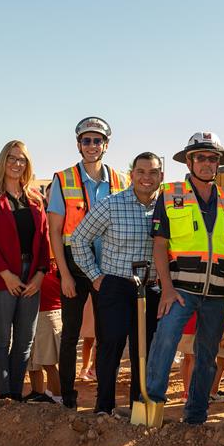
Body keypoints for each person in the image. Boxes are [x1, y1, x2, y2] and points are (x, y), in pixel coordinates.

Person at [145, 132, 224, 425]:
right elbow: (160, 244)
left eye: (213, 158)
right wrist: (166, 289)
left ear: (218, 163)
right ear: (189, 161)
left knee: (207, 356)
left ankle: (196, 415)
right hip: (181, 290)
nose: (207, 163)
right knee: (164, 343)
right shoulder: (171, 194)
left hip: (219, 293)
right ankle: (151, 410)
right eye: (200, 157)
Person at [72, 151, 164, 418]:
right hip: (115, 286)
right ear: (132, 174)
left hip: (151, 288)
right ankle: (104, 407)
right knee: (110, 346)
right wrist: (95, 275)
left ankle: (139, 409)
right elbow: (78, 239)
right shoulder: (111, 204)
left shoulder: (168, 207)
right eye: (141, 172)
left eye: (153, 172)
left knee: (143, 350)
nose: (146, 178)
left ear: (161, 176)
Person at [47, 117, 130, 409]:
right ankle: (68, 399)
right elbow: (54, 232)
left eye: (97, 140)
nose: (92, 146)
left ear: (106, 145)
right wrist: (65, 274)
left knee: (109, 334)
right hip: (74, 264)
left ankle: (103, 402)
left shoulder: (122, 181)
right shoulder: (63, 178)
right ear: (78, 144)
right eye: (86, 140)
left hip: (109, 265)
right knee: (70, 334)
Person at [0, 140, 50, 401]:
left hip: (32, 275)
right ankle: (4, 394)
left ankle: (16, 394)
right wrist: (5, 274)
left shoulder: (36, 199)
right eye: (12, 158)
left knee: (24, 340)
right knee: (1, 339)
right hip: (2, 277)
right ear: (2, 161)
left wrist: (40, 275)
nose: (17, 164)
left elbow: (44, 239)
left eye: (22, 159)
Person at [24, 262, 62, 403]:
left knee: (48, 362)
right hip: (42, 313)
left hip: (48, 314)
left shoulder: (52, 267)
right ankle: (44, 392)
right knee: (39, 360)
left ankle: (57, 396)